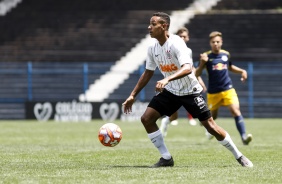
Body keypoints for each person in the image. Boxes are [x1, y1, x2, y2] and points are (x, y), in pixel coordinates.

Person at [122, 12, 253, 168]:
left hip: (190, 91)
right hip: (171, 91)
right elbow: (148, 72)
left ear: (164, 26)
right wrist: (132, 95)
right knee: (146, 119)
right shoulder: (152, 48)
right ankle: (166, 158)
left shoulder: (177, 43)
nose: (149, 27)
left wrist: (166, 79)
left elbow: (187, 68)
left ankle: (239, 156)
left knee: (211, 126)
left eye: (153, 24)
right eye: (149, 23)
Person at [196, 31, 252, 145]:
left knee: (236, 111)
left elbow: (230, 67)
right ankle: (208, 127)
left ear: (221, 42)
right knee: (212, 116)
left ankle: (244, 137)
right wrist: (202, 63)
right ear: (210, 43)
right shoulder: (206, 56)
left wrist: (242, 71)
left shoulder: (226, 54)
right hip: (213, 92)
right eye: (213, 42)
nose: (215, 44)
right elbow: (196, 74)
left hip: (228, 89)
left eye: (217, 42)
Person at [160, 27, 207, 138]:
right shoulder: (171, 48)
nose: (182, 38)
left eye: (184, 36)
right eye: (180, 36)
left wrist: (200, 81)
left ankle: (208, 130)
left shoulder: (188, 51)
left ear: (188, 38)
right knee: (174, 116)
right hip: (174, 85)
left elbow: (190, 68)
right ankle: (166, 121)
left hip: (187, 84)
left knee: (201, 110)